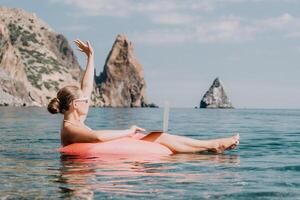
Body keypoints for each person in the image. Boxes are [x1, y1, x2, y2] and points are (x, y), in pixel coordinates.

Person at [47, 39, 239, 153]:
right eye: (85, 100)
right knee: (157, 138)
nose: (88, 101)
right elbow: (96, 137)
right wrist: (130, 131)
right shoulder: (70, 129)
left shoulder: (77, 117)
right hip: (80, 170)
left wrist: (91, 57)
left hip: (101, 154)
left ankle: (211, 145)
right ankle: (212, 145)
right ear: (74, 104)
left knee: (160, 135)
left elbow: (86, 85)